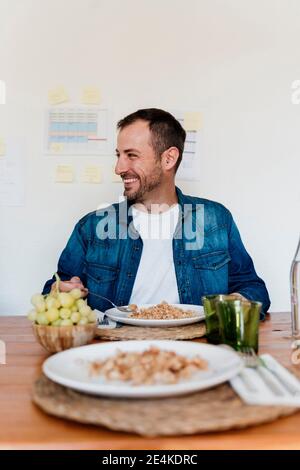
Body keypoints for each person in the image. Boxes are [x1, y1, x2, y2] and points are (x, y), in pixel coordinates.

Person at [43, 108, 270, 316]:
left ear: (168, 158)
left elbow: (253, 288)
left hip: (196, 348)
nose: (119, 168)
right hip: (116, 349)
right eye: (118, 155)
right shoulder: (92, 226)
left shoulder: (215, 220)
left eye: (131, 155)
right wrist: (60, 290)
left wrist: (234, 303)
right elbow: (52, 292)